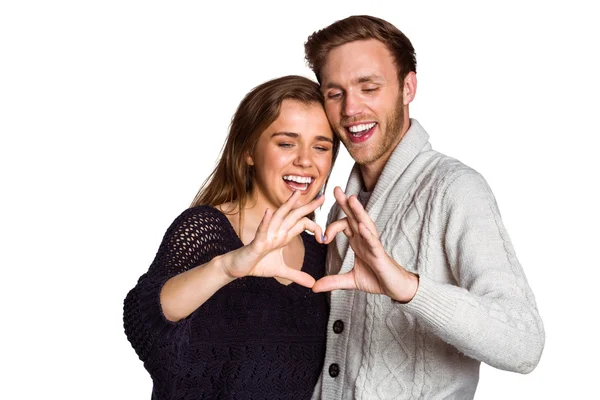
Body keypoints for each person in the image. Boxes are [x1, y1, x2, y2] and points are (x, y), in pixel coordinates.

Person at [304, 15, 545, 399]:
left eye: (369, 87)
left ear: (407, 87)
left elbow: (524, 343)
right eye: (335, 94)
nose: (351, 109)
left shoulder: (455, 189)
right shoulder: (341, 209)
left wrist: (408, 288)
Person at [123, 75, 340, 399]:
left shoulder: (321, 254)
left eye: (320, 147)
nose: (305, 160)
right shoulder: (206, 228)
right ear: (249, 150)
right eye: (286, 143)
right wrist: (228, 267)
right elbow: (144, 316)